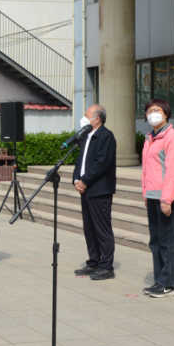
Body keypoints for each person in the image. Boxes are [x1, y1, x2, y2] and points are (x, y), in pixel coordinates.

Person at [140, 99, 174, 297]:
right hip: (152, 195)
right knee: (156, 241)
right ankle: (160, 281)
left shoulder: (172, 137)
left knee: (168, 241)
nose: (152, 114)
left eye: (156, 110)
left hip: (167, 197)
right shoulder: (150, 137)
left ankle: (169, 283)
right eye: (149, 111)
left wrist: (167, 199)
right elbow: (147, 170)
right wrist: (145, 193)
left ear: (166, 113)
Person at [72, 104, 117, 281]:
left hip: (99, 190)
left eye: (87, 115)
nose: (84, 118)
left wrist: (85, 181)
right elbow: (79, 161)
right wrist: (77, 179)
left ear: (97, 118)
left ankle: (106, 266)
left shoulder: (106, 136)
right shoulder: (85, 137)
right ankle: (93, 262)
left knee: (102, 229)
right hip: (86, 190)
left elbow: (102, 163)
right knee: (89, 229)